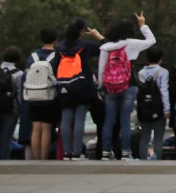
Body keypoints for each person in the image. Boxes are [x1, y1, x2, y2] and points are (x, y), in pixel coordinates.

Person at [95, 12, 155, 161]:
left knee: (109, 120)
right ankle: (125, 151)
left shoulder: (106, 48)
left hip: (110, 88)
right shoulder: (132, 44)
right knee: (124, 120)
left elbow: (101, 69)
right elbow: (151, 40)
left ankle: (106, 151)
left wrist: (102, 87)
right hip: (128, 85)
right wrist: (143, 25)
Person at [56, 18, 103, 160]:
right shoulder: (85, 45)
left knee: (66, 119)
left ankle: (66, 152)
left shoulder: (60, 47)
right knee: (79, 119)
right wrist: (97, 35)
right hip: (83, 86)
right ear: (82, 31)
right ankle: (77, 152)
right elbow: (106, 48)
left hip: (64, 85)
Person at [27, 28, 62, 160]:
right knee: (46, 128)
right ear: (55, 39)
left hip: (33, 94)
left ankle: (36, 158)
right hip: (49, 95)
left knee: (36, 128)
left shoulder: (33, 56)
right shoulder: (56, 56)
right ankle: (44, 157)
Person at [135, 45, 170, 160]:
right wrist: (167, 109)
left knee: (144, 136)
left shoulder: (140, 72)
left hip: (144, 108)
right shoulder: (163, 72)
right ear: (161, 58)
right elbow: (164, 90)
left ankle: (143, 159)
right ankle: (157, 160)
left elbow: (138, 92)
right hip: (158, 108)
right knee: (158, 138)